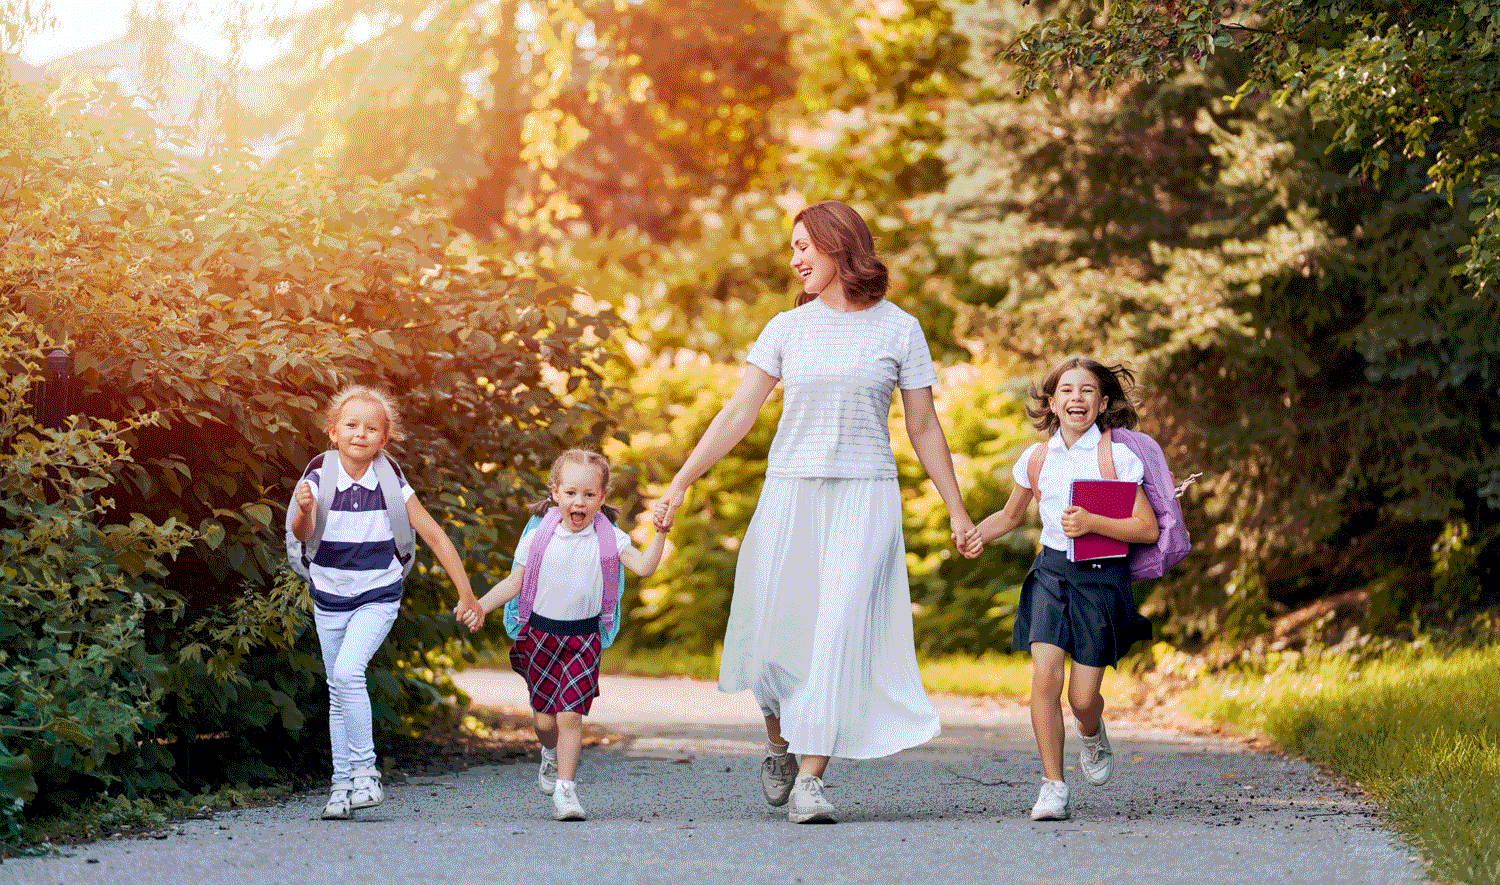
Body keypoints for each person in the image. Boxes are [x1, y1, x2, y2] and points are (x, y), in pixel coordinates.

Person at [653, 200, 978, 824]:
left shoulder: (899, 329)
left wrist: (957, 511)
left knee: (836, 632)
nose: (795, 258)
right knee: (777, 633)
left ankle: (811, 778)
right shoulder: (785, 329)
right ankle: (778, 739)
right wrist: (680, 483)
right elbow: (738, 413)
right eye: (793, 247)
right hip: (791, 493)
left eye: (805, 246)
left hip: (866, 495)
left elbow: (923, 426)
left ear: (839, 248)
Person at [958, 356, 1158, 821]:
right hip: (1050, 575)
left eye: (1087, 391)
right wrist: (975, 534)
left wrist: (1092, 522)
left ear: (1103, 402)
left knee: (1082, 699)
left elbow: (1146, 528)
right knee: (1045, 675)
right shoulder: (1037, 457)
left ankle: (1092, 733)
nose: (1076, 398)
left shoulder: (1117, 457)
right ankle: (1053, 785)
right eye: (1066, 390)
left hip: (1102, 579)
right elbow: (1010, 517)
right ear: (1051, 402)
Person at [289, 384, 486, 821]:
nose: (361, 433)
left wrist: (466, 592)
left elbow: (433, 534)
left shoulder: (391, 482)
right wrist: (304, 508)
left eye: (371, 427)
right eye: (351, 424)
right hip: (329, 594)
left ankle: (365, 773)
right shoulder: (318, 478)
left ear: (384, 438)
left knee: (347, 672)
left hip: (378, 592)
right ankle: (340, 787)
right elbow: (303, 535)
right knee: (338, 691)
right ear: (333, 431)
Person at [460, 449, 669, 821]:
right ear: (555, 492)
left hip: (583, 640)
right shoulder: (539, 534)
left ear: (602, 499)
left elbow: (645, 567)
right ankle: (549, 754)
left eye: (590, 495)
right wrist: (480, 606)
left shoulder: (610, 538)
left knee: (571, 716)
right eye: (571, 492)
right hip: (540, 636)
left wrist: (661, 534)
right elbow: (514, 582)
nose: (580, 502)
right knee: (544, 721)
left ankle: (566, 791)